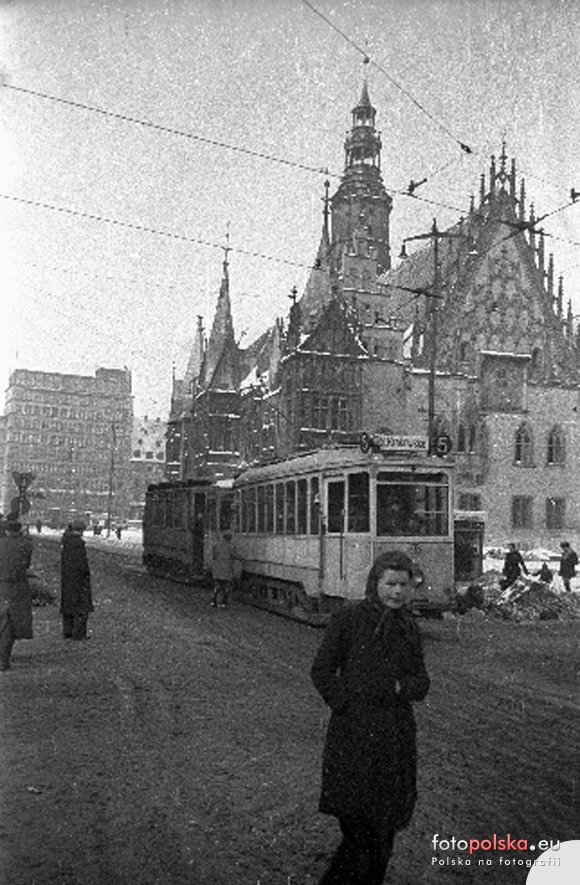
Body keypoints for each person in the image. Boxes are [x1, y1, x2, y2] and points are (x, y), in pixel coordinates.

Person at [311, 550, 430, 885]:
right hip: (353, 739)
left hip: (395, 740)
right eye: (390, 584)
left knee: (383, 832)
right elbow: (321, 670)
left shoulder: (409, 628)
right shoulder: (348, 620)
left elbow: (422, 682)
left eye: (404, 585)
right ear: (374, 583)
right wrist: (345, 705)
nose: (397, 592)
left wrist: (400, 687)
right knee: (358, 831)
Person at [0, 520, 34, 671]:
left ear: (6, 531)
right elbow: (26, 564)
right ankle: (3, 660)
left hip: (1, 586)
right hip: (18, 588)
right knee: (11, 624)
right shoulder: (25, 545)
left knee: (3, 622)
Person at [60, 520, 93, 640]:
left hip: (67, 578)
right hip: (78, 580)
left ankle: (67, 632)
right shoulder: (78, 544)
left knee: (68, 604)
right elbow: (82, 565)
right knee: (81, 606)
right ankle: (79, 634)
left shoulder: (66, 541)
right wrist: (85, 574)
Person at [210, 531, 235, 608]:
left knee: (217, 586)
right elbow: (236, 555)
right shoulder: (231, 547)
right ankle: (223, 602)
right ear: (229, 538)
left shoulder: (216, 546)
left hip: (217, 569)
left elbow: (214, 556)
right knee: (226, 586)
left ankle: (213, 601)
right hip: (226, 570)